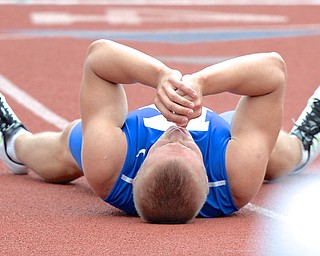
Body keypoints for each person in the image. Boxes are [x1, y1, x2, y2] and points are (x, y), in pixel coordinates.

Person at [0, 39, 319, 224]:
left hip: (125, 149)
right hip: (225, 150)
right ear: (206, 176)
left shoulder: (112, 168)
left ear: (140, 167)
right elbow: (273, 71)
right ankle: (303, 147)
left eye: (168, 142)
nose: (179, 129)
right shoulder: (232, 179)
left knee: (66, 147)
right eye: (189, 145)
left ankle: (14, 143)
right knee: (275, 155)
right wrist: (203, 83)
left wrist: (160, 76)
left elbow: (98, 57)